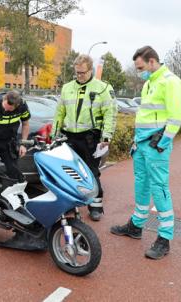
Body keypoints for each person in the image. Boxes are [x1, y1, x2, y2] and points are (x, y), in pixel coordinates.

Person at [110, 46, 181, 260]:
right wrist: (135, 142)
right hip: (142, 144)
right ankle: (136, 225)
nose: (138, 71)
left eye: (140, 67)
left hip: (156, 145)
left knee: (159, 188)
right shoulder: (150, 82)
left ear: (152, 61)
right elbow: (145, 116)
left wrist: (163, 143)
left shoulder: (171, 81)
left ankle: (164, 238)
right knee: (141, 183)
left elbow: (175, 117)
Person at [52, 54, 117, 221]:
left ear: (91, 70)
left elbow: (110, 114)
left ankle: (95, 206)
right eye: (77, 73)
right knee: (68, 172)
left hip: (90, 137)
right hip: (69, 137)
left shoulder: (102, 88)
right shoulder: (67, 88)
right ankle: (70, 204)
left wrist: (106, 137)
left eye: (82, 72)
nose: (79, 76)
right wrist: (54, 134)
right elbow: (60, 112)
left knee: (90, 173)